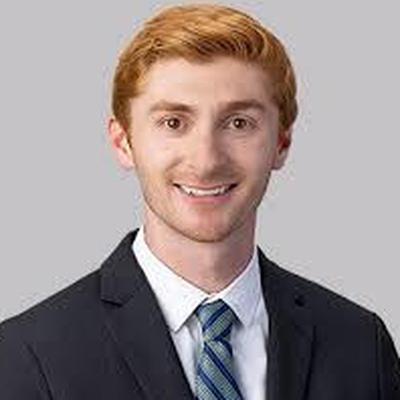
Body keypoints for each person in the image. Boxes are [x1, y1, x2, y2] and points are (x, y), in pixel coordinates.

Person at [0, 3, 399, 399]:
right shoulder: (28, 355)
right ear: (123, 142)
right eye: (173, 122)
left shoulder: (362, 345)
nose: (206, 161)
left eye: (239, 123)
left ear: (282, 143)